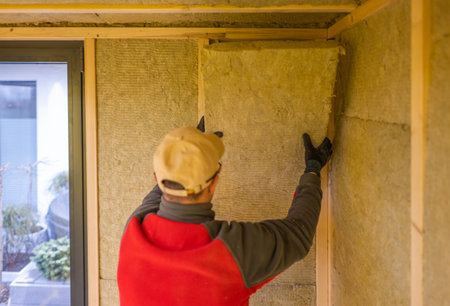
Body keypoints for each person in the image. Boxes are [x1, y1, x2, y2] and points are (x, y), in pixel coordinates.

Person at [117, 120, 332, 306]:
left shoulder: (134, 231)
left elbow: (158, 195)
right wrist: (313, 169)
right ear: (214, 183)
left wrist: (187, 151)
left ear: (157, 178)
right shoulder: (231, 251)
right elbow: (299, 234)